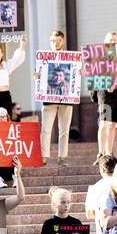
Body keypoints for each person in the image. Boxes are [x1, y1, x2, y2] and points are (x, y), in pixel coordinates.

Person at [39, 30, 75, 166]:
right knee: (46, 129)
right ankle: (44, 156)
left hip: (66, 98)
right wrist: (37, 76)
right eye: (53, 41)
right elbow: (39, 75)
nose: (55, 43)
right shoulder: (43, 58)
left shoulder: (71, 58)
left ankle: (62, 157)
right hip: (49, 99)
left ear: (63, 41)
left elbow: (75, 76)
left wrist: (79, 72)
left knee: (64, 130)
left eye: (58, 40)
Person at [93, 31, 117, 160]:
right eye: (111, 40)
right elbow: (95, 74)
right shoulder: (100, 57)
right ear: (105, 42)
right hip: (105, 94)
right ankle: (101, 153)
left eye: (115, 40)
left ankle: (108, 153)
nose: (113, 42)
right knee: (104, 122)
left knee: (113, 124)